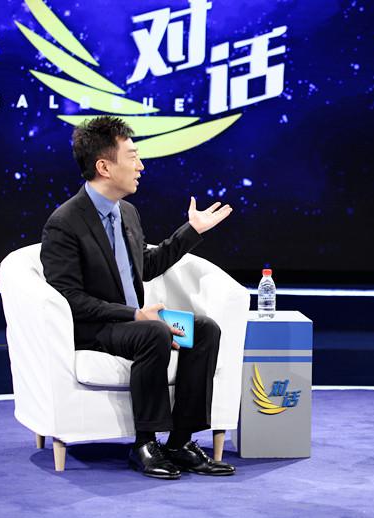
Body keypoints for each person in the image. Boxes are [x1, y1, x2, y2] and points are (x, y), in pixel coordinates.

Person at [41, 116, 235, 480]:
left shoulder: (127, 212)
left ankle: (180, 442)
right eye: (132, 157)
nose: (141, 166)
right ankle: (145, 443)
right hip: (97, 328)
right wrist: (134, 316)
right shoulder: (64, 223)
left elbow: (145, 266)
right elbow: (69, 298)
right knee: (155, 332)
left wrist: (191, 231)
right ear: (104, 166)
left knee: (204, 330)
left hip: (137, 321)